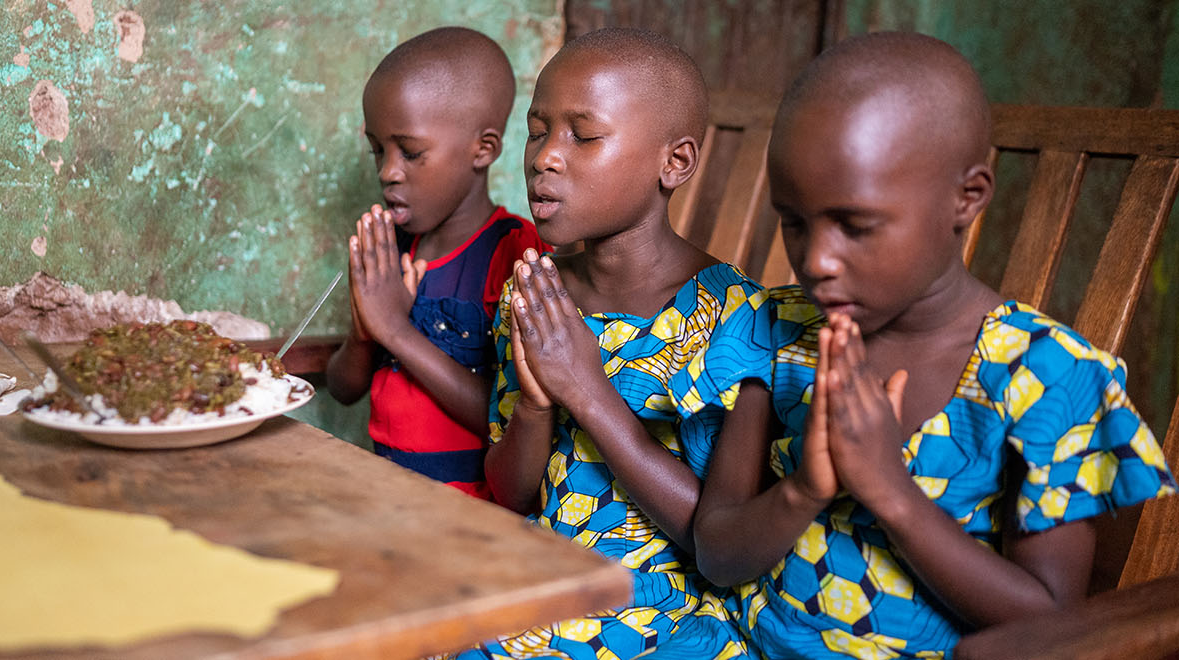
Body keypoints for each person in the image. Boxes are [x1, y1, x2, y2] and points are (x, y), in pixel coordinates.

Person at [683, 31, 1178, 658]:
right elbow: (716, 554)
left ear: (966, 198)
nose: (816, 259)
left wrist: (892, 491)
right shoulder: (776, 334)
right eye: (795, 222)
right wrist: (804, 489)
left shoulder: (1049, 376)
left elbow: (1050, 618)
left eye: (854, 224)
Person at [450, 28, 774, 660]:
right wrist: (539, 406)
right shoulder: (539, 294)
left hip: (661, 603)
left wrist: (587, 390)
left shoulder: (735, 320)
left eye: (583, 135)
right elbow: (513, 492)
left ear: (674, 163)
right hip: (539, 570)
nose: (545, 156)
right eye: (538, 130)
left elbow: (717, 538)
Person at [325, 27, 547, 500]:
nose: (387, 171)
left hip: (468, 511)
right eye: (377, 151)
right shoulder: (391, 249)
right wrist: (367, 330)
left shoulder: (514, 256)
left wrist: (395, 331)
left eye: (410, 152)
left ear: (482, 149)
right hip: (385, 495)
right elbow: (343, 387)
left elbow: (506, 416)